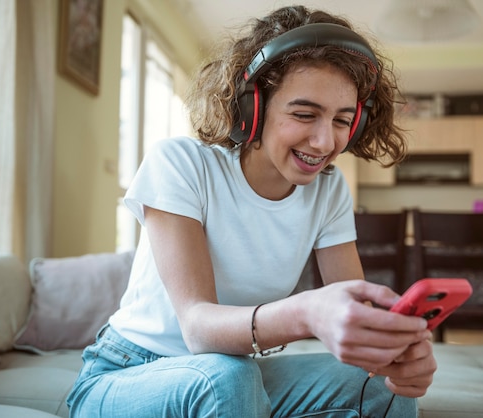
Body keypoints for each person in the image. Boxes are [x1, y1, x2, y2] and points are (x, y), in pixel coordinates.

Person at [67, 5, 437, 418]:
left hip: (232, 372)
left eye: (342, 120)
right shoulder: (181, 164)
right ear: (252, 107)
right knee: (227, 378)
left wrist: (392, 352)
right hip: (128, 373)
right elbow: (198, 328)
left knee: (382, 389)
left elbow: (355, 312)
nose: (323, 141)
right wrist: (307, 312)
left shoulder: (329, 192)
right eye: (304, 114)